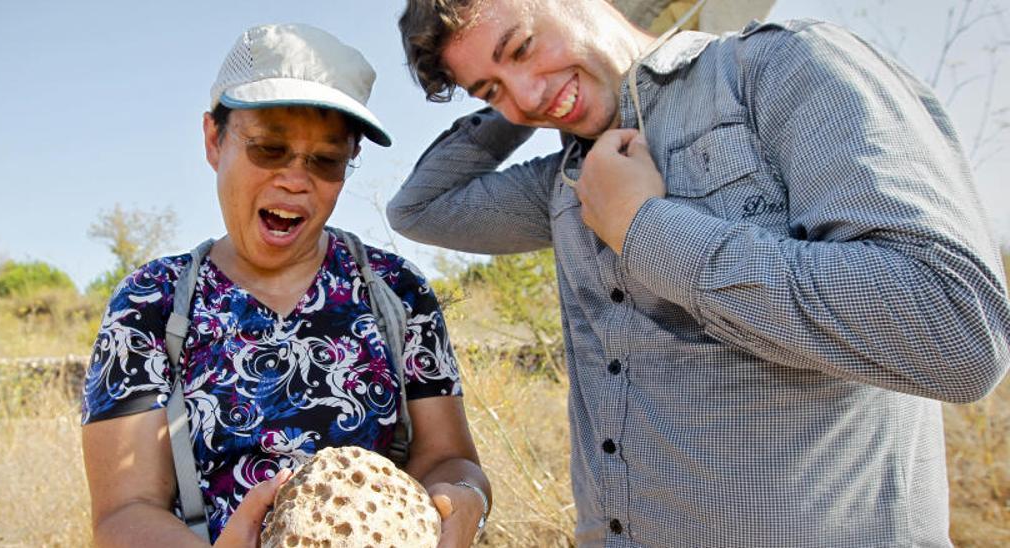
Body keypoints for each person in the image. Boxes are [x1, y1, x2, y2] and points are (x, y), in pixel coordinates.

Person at [391, 0, 1010, 546]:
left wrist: (646, 230)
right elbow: (418, 208)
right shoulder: (569, 180)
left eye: (522, 46)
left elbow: (958, 330)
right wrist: (533, 94)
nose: (524, 97)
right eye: (491, 90)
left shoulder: (777, 71)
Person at [79, 23, 490, 548]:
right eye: (270, 149)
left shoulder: (396, 290)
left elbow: (450, 458)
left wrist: (465, 502)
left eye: (326, 160)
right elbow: (124, 511)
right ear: (214, 139)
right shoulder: (150, 303)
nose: (295, 179)